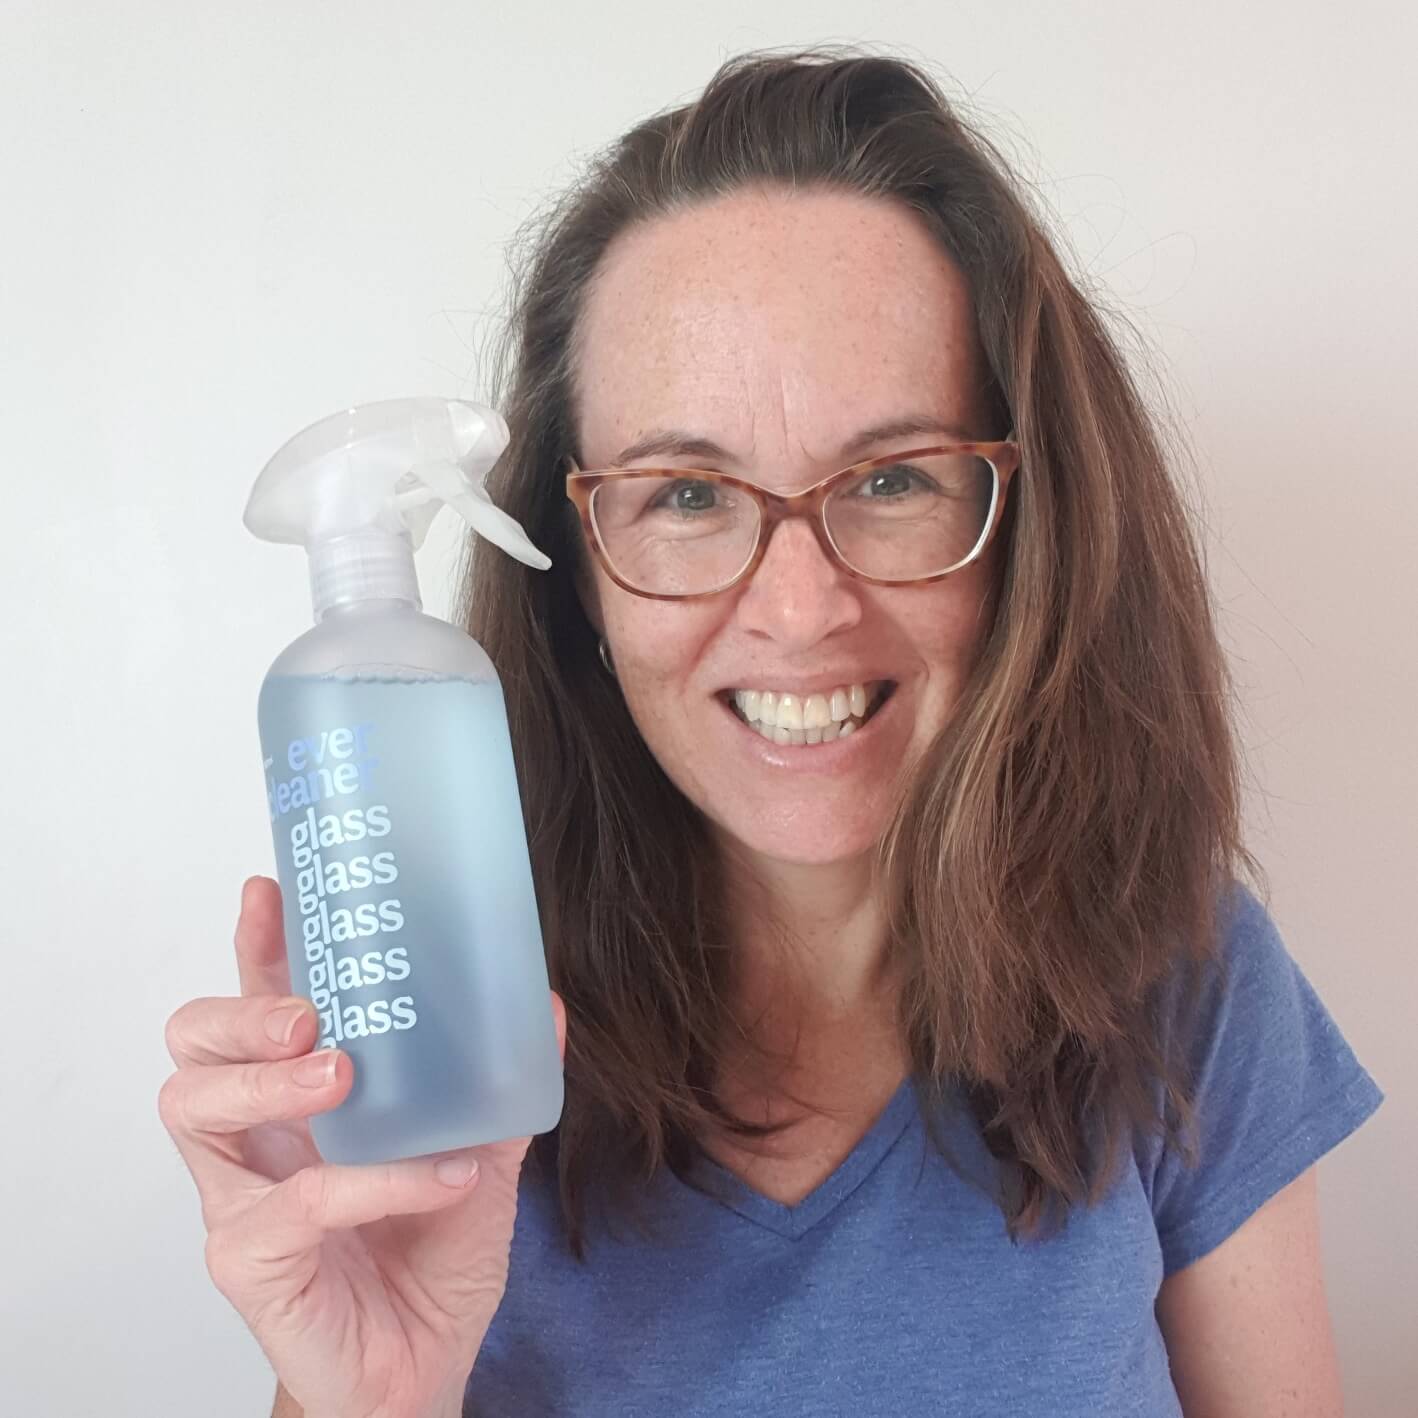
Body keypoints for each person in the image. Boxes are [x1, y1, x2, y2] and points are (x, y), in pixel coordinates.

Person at [159, 46, 1386, 1418]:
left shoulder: (1179, 975)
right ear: (574, 567)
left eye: (894, 478)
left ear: (1026, 532)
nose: (799, 611)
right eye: (686, 494)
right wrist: (377, 1397)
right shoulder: (432, 1045)